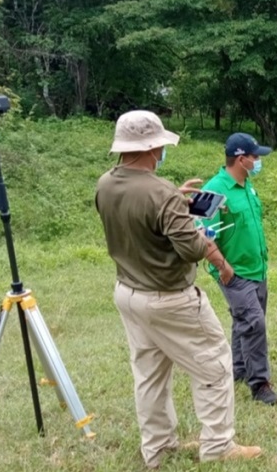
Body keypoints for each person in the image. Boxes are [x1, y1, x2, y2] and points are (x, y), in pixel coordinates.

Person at [95, 110, 261, 468]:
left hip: (128, 291)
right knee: (215, 365)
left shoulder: (106, 184)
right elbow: (189, 247)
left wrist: (176, 201)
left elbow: (141, 218)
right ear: (154, 147)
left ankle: (158, 448)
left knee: (150, 373)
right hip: (168, 296)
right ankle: (218, 445)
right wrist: (198, 230)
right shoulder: (160, 193)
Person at [201, 133, 277, 406]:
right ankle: (260, 385)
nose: (258, 162)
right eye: (255, 157)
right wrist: (223, 267)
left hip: (257, 268)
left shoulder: (247, 187)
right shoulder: (213, 189)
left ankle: (239, 368)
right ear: (241, 158)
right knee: (254, 322)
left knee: (245, 320)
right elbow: (199, 233)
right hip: (233, 271)